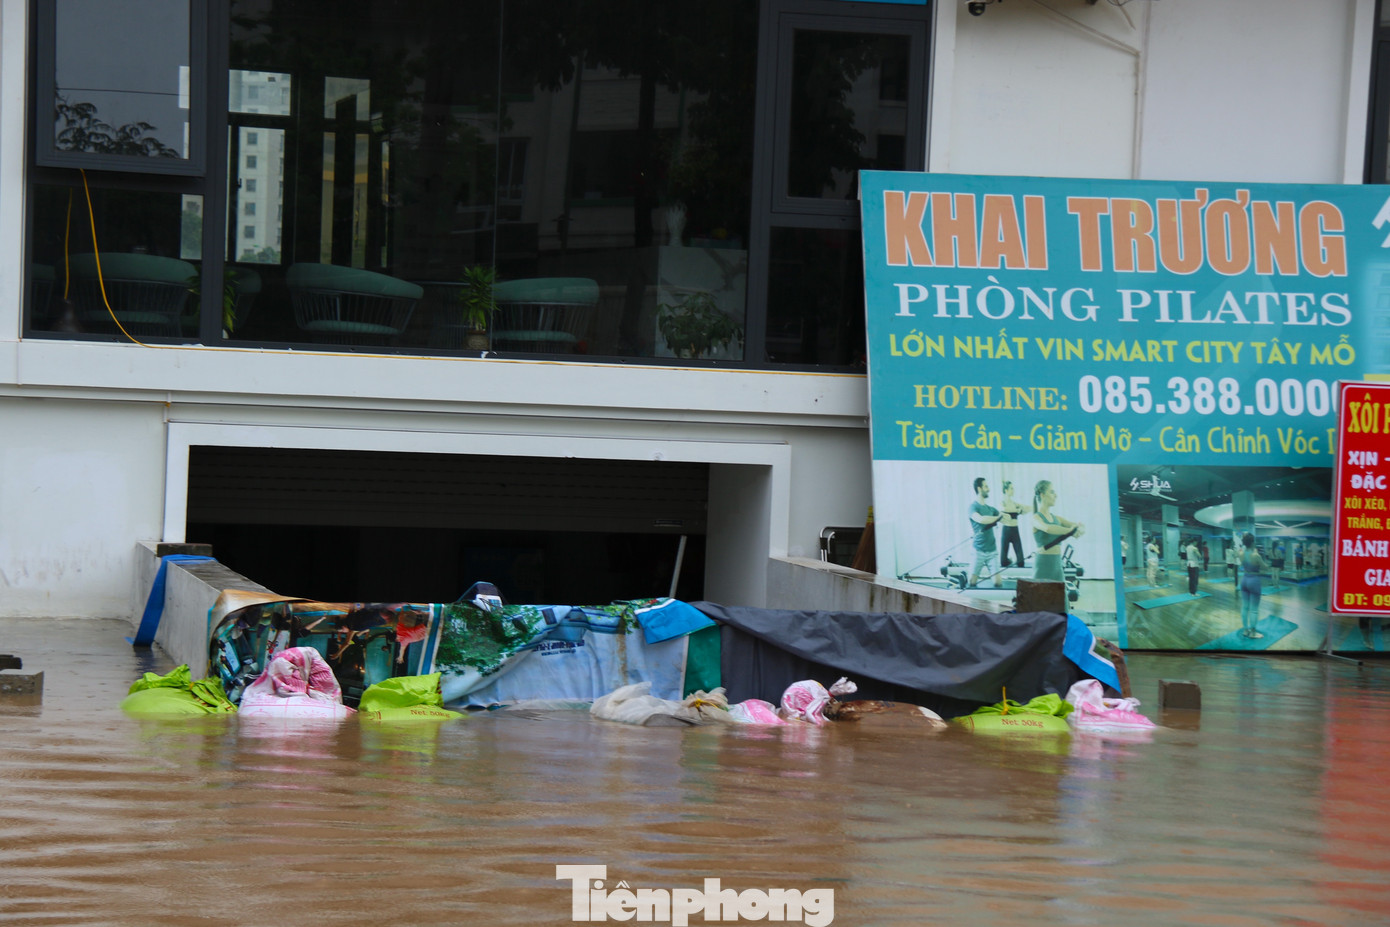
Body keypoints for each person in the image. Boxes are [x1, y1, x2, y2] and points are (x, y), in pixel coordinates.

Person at [1032, 480, 1083, 581]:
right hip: (1043, 564)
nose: (1056, 495)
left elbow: (1077, 526)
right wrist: (1070, 531)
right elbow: (1048, 528)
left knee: (1060, 596)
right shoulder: (1036, 518)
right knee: (1039, 596)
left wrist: (1080, 529)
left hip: (1056, 564)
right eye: (1052, 492)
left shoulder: (1057, 519)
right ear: (1042, 495)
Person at [967, 477, 1002, 588]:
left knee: (998, 582)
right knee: (971, 583)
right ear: (979, 488)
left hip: (992, 551)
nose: (989, 489)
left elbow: (1004, 517)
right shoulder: (973, 507)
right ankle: (965, 575)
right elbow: (981, 519)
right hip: (978, 550)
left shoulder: (991, 509)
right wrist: (997, 518)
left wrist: (1017, 511)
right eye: (986, 486)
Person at [1238, 532, 1269, 639]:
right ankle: (1253, 632)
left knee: (1245, 607)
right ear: (1252, 542)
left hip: (1244, 579)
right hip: (1254, 581)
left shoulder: (1240, 553)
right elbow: (1265, 567)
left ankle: (1245, 630)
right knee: (1254, 609)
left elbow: (1243, 563)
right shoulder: (1256, 555)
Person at [998, 480, 1031, 569]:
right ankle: (1009, 561)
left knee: (1021, 562)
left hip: (1015, 530)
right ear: (1006, 490)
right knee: (1003, 562)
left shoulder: (1014, 503)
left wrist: (1033, 507)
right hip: (1006, 531)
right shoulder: (1003, 503)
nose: (1013, 490)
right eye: (1011, 488)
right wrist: (1018, 510)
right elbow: (1004, 509)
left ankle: (1013, 562)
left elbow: (1026, 508)